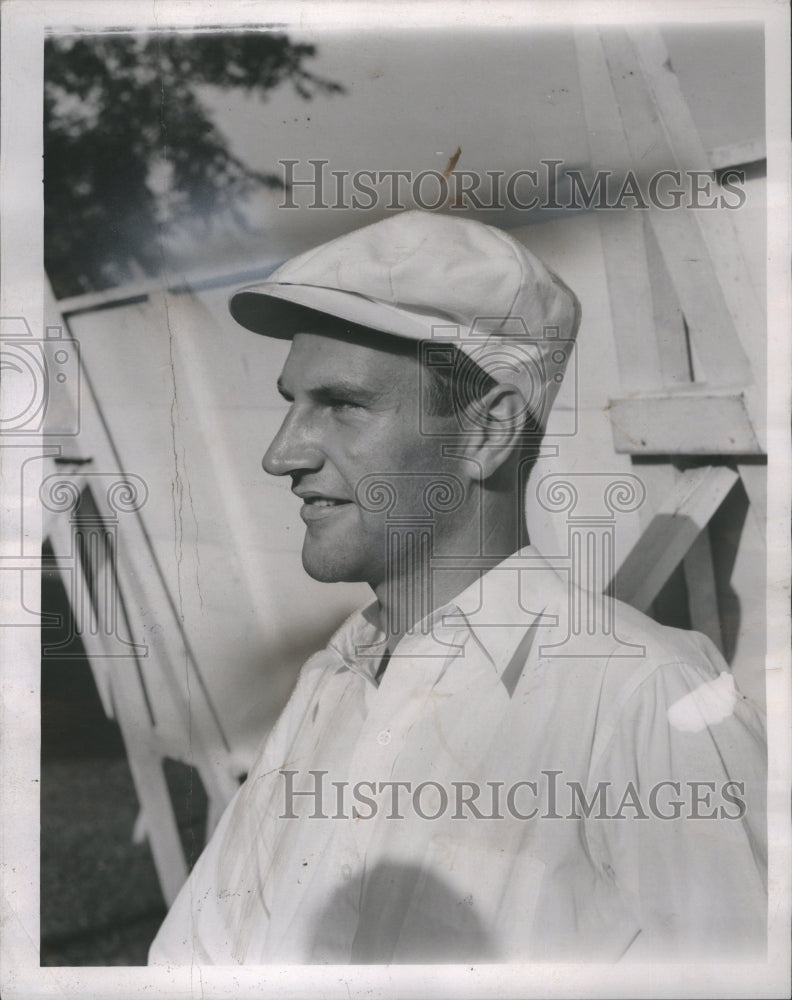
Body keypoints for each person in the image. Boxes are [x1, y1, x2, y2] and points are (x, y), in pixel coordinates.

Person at [149, 210, 766, 965]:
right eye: (291, 403)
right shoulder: (333, 678)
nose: (283, 455)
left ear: (487, 433)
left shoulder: (640, 695)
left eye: (342, 405)